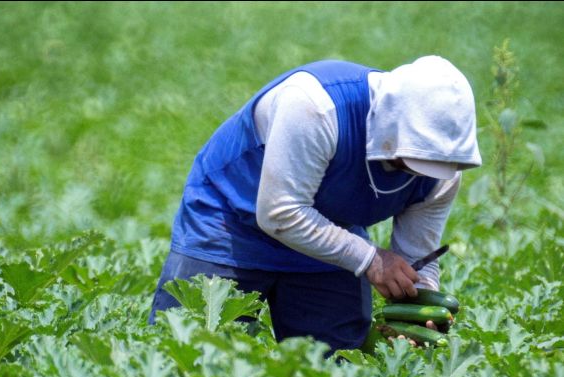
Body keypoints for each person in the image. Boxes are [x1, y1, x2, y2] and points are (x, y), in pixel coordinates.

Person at [149, 56, 481, 352]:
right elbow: (282, 213)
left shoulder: (442, 173)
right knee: (193, 354)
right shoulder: (316, 106)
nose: (418, 172)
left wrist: (420, 306)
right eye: (410, 160)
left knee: (336, 372)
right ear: (388, 125)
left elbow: (416, 259)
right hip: (230, 223)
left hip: (327, 239)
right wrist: (372, 260)